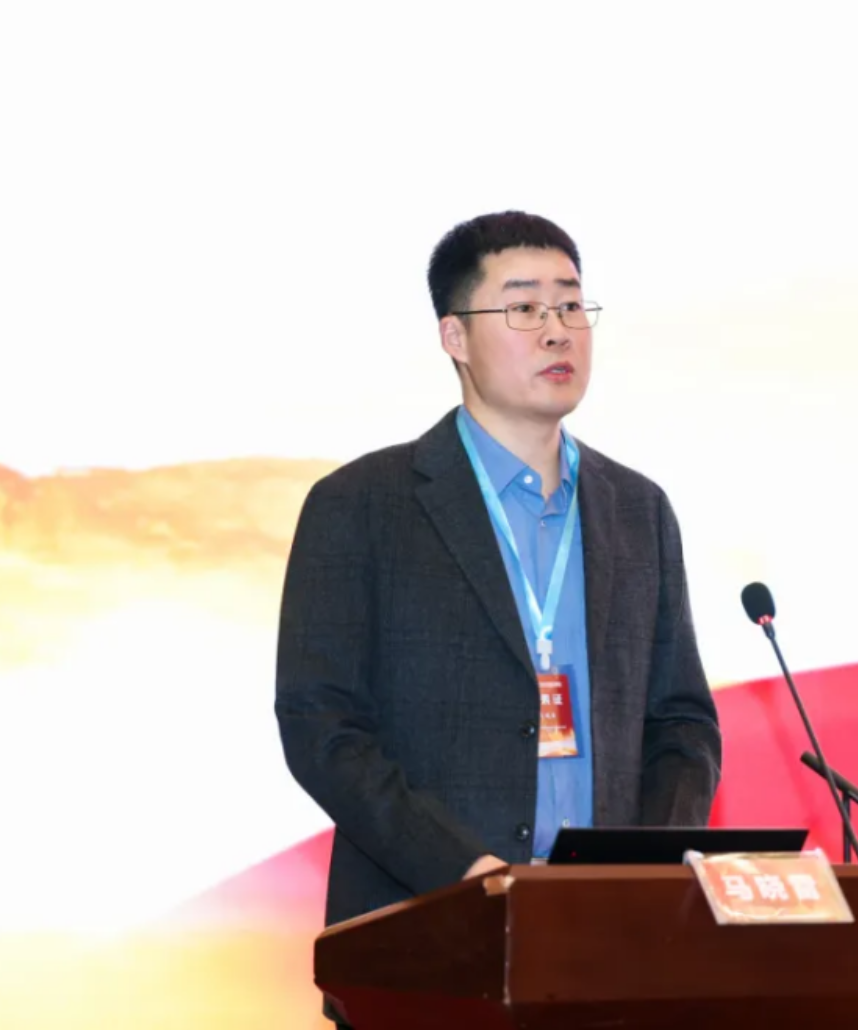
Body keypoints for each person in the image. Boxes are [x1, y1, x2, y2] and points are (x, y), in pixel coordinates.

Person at [274, 211, 722, 1026]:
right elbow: (322, 726)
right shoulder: (361, 506)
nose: (556, 329)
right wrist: (466, 873)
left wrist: (642, 870)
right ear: (455, 336)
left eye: (571, 305)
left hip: (611, 958)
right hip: (425, 949)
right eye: (523, 307)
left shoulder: (637, 510)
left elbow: (682, 723)